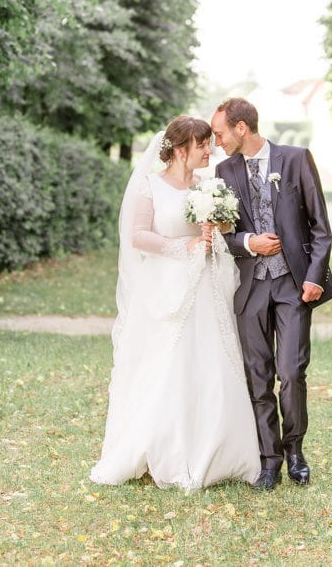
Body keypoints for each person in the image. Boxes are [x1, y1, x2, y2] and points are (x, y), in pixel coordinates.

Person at [90, 116, 260, 492]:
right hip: (166, 285)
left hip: (206, 285)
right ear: (181, 148)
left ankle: (216, 449)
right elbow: (138, 236)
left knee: (211, 360)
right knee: (168, 362)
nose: (209, 150)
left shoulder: (208, 188)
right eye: (202, 145)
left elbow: (225, 230)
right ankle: (161, 448)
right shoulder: (150, 187)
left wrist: (216, 229)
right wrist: (181, 247)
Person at [211, 97, 332, 491]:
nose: (217, 142)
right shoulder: (223, 171)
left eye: (220, 133)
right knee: (258, 376)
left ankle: (295, 451)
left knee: (292, 371)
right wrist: (249, 242)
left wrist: (314, 276)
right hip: (250, 288)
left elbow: (320, 226)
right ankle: (269, 460)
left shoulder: (296, 159)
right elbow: (223, 235)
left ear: (241, 128)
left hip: (293, 286)